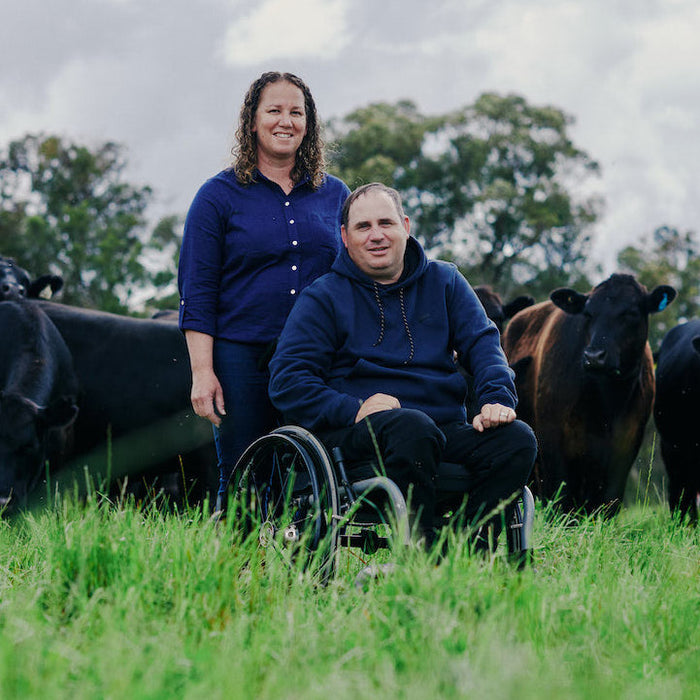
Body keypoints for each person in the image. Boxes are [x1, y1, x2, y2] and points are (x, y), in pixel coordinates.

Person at [268, 183, 537, 551]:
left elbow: (484, 345)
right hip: (356, 437)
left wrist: (496, 398)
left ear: (405, 226)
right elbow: (287, 381)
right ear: (345, 237)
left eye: (386, 223)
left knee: (517, 438)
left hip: (441, 430)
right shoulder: (324, 297)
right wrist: (354, 408)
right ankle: (423, 552)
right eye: (363, 227)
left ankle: (460, 548)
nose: (376, 235)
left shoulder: (446, 281)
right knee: (413, 427)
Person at [178, 71, 350, 507]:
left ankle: (307, 574)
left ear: (308, 123)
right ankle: (232, 575)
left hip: (318, 357)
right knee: (243, 478)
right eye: (273, 110)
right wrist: (203, 372)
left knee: (314, 481)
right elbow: (197, 293)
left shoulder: (336, 196)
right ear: (252, 121)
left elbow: (358, 275)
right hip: (240, 358)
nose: (285, 121)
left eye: (296, 112)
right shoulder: (217, 197)